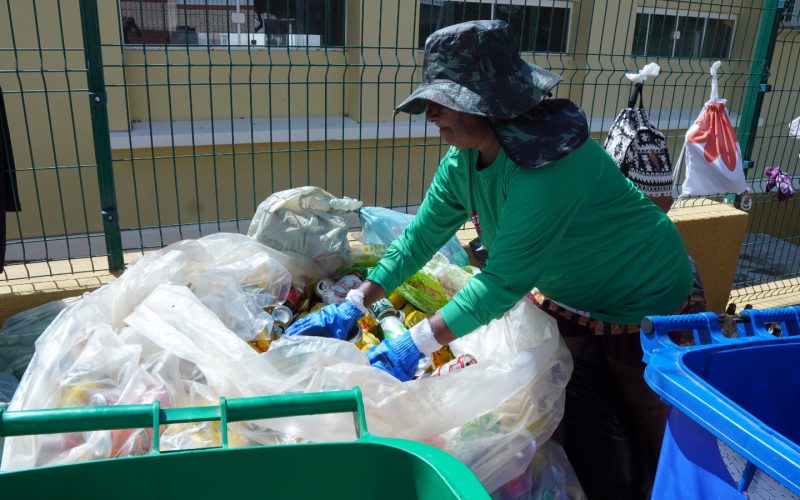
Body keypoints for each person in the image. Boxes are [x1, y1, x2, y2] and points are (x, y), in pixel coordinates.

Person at [285, 19, 693, 483]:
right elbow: (419, 238)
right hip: (565, 288)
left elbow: (501, 284)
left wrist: (413, 344)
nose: (432, 114)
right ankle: (553, 486)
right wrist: (359, 299)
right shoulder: (464, 160)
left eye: (443, 103)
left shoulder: (549, 170)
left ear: (490, 105)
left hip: (638, 286)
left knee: (643, 399)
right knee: (543, 393)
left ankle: (671, 488)